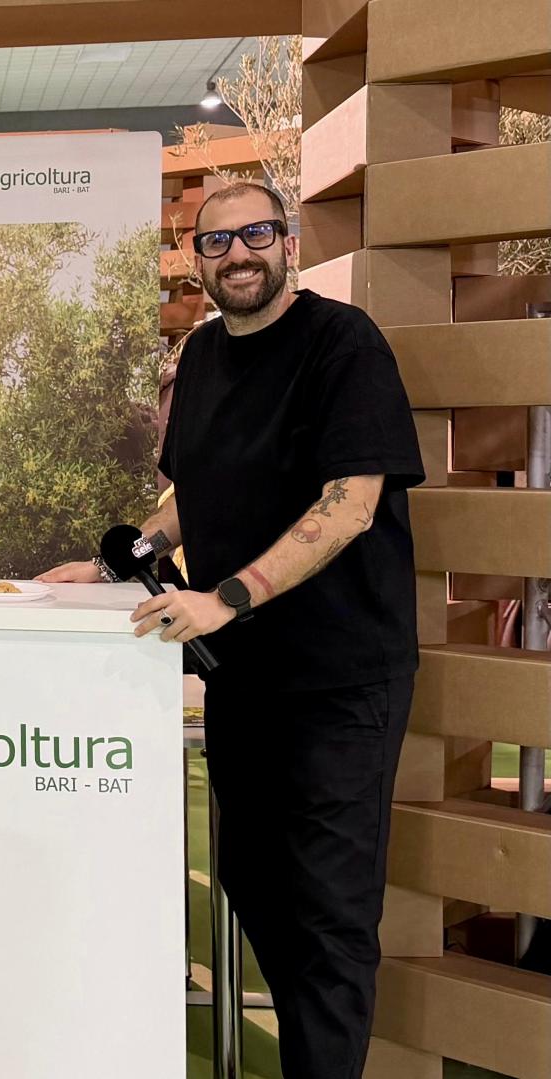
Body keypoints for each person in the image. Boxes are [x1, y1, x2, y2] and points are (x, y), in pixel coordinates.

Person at [42, 182, 423, 1079]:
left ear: (287, 242)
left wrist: (229, 596)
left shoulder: (343, 343)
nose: (238, 253)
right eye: (216, 241)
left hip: (340, 679)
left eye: (255, 233)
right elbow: (192, 494)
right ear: (195, 259)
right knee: (255, 883)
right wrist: (117, 561)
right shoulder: (205, 354)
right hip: (243, 678)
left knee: (329, 912)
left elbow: (351, 504)